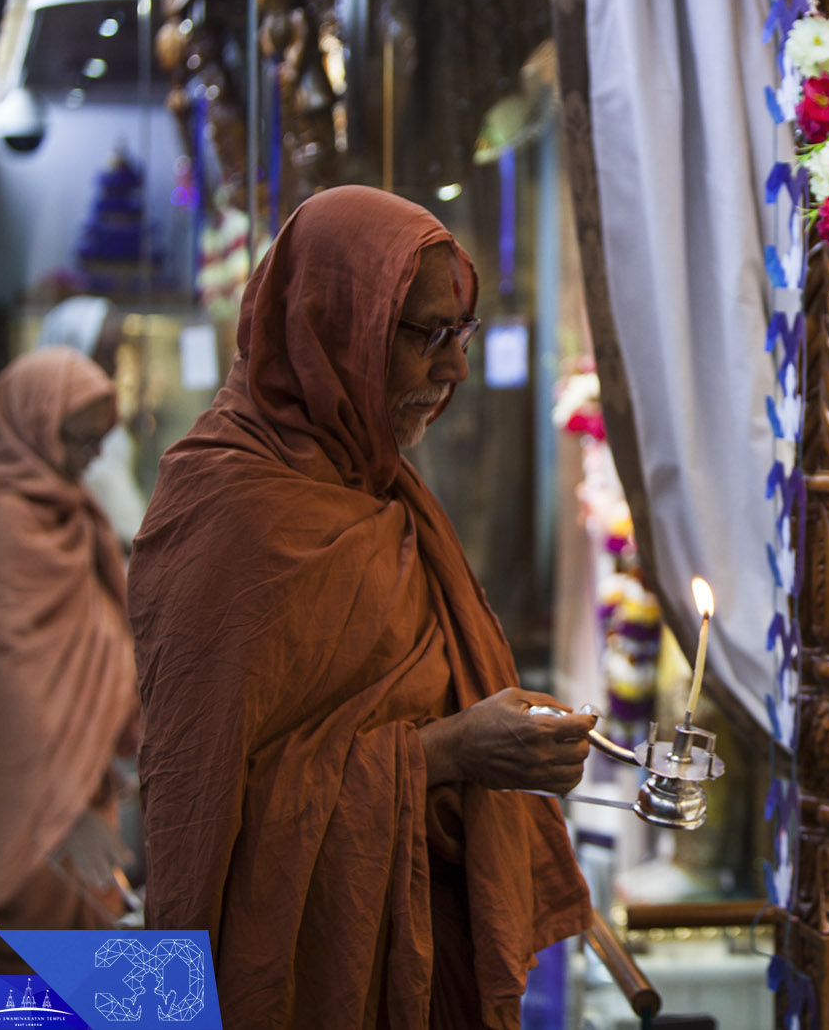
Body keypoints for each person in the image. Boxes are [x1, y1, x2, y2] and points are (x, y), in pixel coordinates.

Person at [129, 186, 594, 1028]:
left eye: (462, 334)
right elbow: (209, 818)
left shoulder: (378, 483)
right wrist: (451, 750)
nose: (453, 370)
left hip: (419, 942)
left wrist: (500, 744)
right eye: (426, 336)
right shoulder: (232, 506)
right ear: (331, 325)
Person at [0, 347, 139, 971]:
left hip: (78, 796)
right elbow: (4, 687)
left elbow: (93, 647)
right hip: (23, 817)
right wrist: (63, 810)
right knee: (149, 1000)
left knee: (51, 999)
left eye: (103, 440)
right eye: (80, 440)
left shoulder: (72, 514)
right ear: (34, 425)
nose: (94, 457)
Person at [34, 295, 148, 552]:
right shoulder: (46, 433)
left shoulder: (110, 426)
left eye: (117, 353)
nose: (115, 366)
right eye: (106, 354)